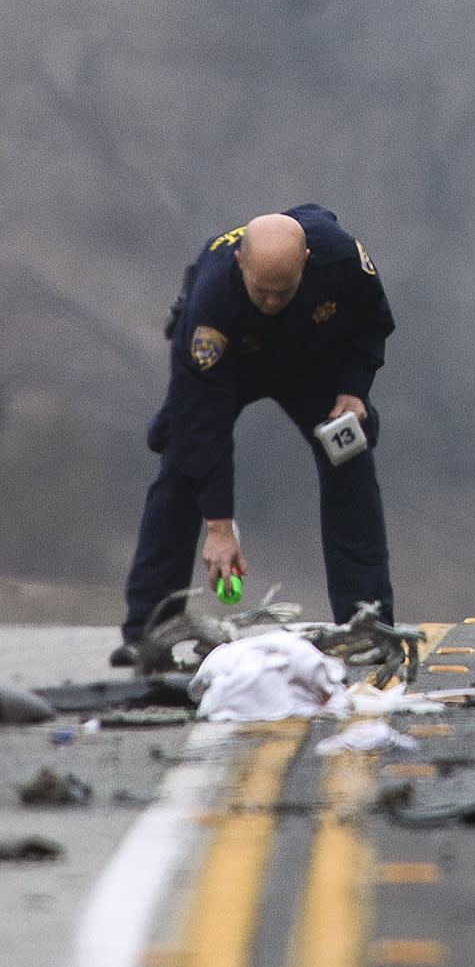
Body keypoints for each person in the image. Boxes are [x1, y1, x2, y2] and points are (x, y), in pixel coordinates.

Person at [116, 207, 397, 661]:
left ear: (307, 260)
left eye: (282, 291)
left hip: (310, 359)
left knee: (350, 460)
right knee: (180, 467)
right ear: (240, 264)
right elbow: (201, 425)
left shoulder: (342, 260)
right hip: (232, 365)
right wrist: (220, 528)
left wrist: (353, 390)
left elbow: (372, 321)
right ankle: (149, 628)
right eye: (262, 292)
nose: (271, 302)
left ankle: (368, 620)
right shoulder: (210, 305)